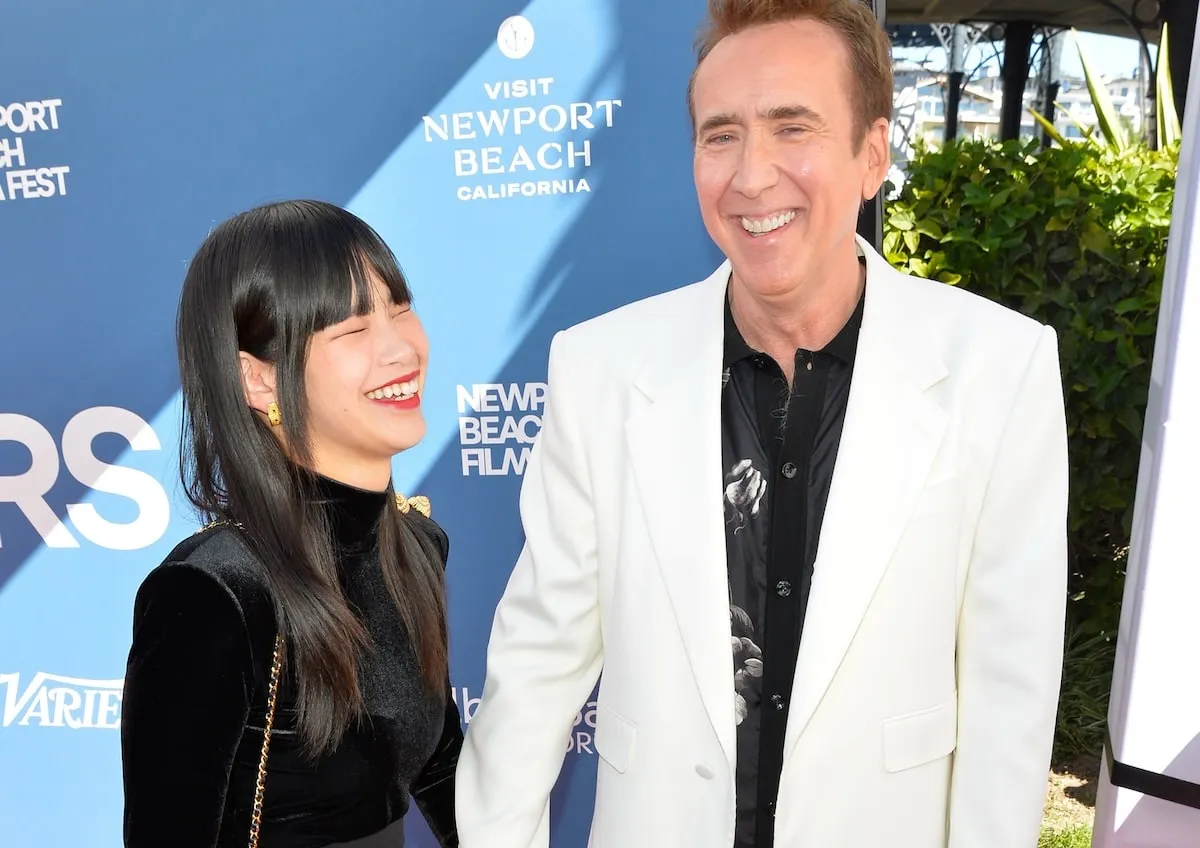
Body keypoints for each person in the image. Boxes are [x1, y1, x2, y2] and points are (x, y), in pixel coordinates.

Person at [455, 1, 1069, 846]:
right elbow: (535, 668)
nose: (752, 174)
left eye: (793, 127)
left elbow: (1010, 702)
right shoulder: (600, 368)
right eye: (721, 135)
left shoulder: (999, 369)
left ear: (873, 155)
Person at [120, 199, 461, 848]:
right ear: (257, 379)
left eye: (399, 308)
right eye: (353, 331)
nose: (399, 349)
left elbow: (442, 767)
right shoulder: (216, 592)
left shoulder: (419, 547)